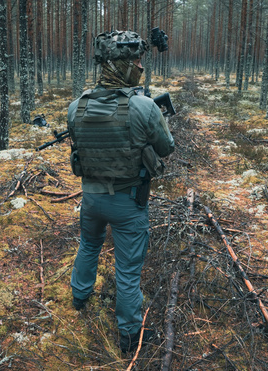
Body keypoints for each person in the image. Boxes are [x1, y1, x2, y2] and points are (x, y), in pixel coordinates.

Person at [66, 30, 175, 353]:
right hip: (128, 202)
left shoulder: (77, 106)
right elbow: (166, 148)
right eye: (136, 61)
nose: (140, 66)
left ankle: (79, 297)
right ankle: (129, 334)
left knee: (88, 245)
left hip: (91, 199)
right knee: (127, 271)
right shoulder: (143, 107)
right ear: (122, 64)